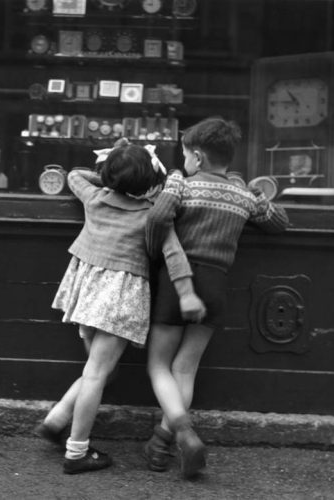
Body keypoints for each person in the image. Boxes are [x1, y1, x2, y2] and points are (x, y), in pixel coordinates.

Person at [37, 139, 206, 475]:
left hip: (87, 293)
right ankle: (76, 451)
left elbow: (73, 175)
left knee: (99, 370)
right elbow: (174, 254)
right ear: (149, 182)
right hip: (120, 297)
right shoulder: (151, 215)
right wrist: (186, 293)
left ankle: (56, 420)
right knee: (97, 373)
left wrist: (108, 175)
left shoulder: (95, 198)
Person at [144, 117, 289, 478]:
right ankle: (160, 443)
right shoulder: (240, 195)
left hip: (178, 280)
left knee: (159, 365)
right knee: (185, 368)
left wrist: (152, 253)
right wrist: (254, 192)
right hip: (216, 283)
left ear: (197, 156)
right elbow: (279, 222)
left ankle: (183, 432)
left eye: (185, 156)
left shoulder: (182, 183)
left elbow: (158, 217)